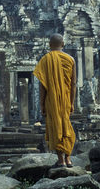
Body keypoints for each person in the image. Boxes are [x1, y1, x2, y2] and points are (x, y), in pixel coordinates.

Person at [33, 34, 77, 168]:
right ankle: (68, 158)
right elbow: (73, 83)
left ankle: (61, 160)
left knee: (55, 127)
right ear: (63, 44)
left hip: (51, 100)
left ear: (49, 45)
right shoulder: (70, 59)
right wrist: (72, 102)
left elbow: (43, 86)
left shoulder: (45, 60)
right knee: (66, 126)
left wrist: (41, 103)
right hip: (66, 100)